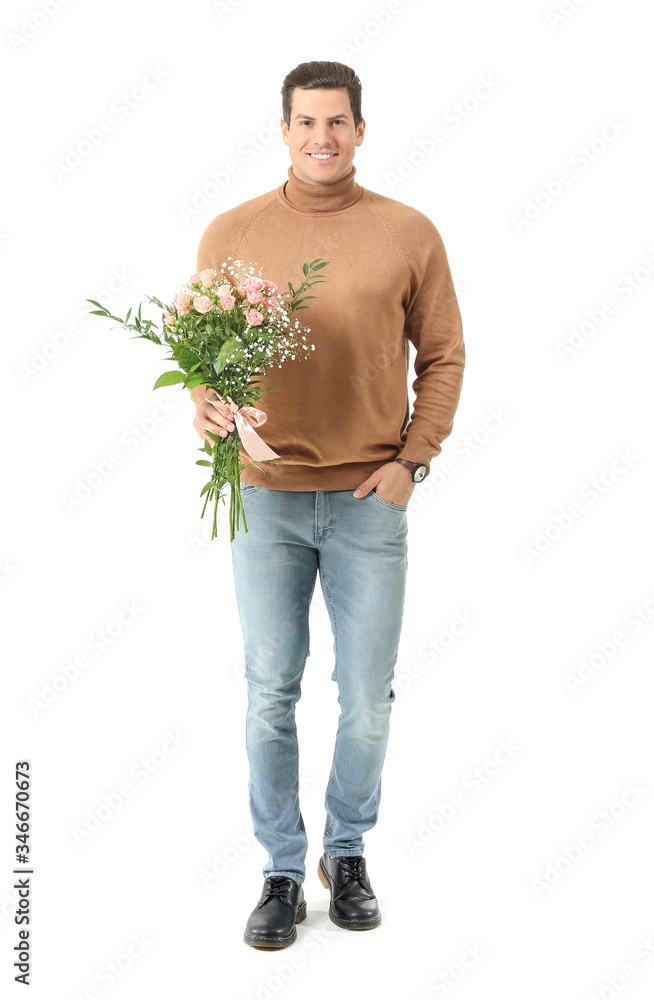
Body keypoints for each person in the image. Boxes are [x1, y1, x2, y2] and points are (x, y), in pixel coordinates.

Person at [189, 60, 465, 950]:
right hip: (265, 501)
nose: (322, 139)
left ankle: (344, 853)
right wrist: (202, 403)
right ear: (282, 129)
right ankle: (279, 864)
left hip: (367, 501)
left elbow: (446, 356)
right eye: (306, 122)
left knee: (367, 698)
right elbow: (203, 361)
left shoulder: (409, 232)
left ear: (359, 129)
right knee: (269, 690)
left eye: (338, 123)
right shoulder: (230, 232)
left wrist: (412, 462)